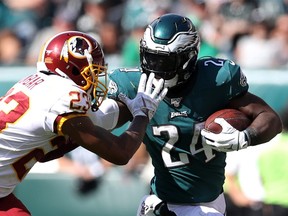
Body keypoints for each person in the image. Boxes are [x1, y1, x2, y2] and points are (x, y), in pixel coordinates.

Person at [105, 13, 282, 215]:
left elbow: (271, 119)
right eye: (151, 58)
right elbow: (107, 124)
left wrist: (245, 137)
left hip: (206, 205)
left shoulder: (215, 80)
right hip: (159, 201)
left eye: (164, 62)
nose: (154, 69)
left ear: (187, 58)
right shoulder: (135, 85)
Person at [0, 31, 167, 215]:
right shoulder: (63, 97)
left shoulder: (39, 85)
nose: (95, 81)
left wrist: (132, 108)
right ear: (72, 68)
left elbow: (100, 120)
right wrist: (142, 114)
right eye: (92, 72)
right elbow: (120, 153)